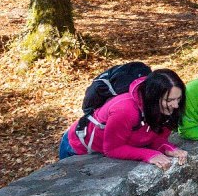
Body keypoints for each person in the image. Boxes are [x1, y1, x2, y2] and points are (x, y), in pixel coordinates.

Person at [59, 68, 189, 170]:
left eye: (178, 99)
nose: (176, 105)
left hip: (105, 148)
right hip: (76, 146)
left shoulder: (166, 108)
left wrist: (168, 148)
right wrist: (149, 155)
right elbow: (112, 149)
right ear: (153, 97)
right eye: (169, 100)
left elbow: (153, 138)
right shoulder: (125, 110)